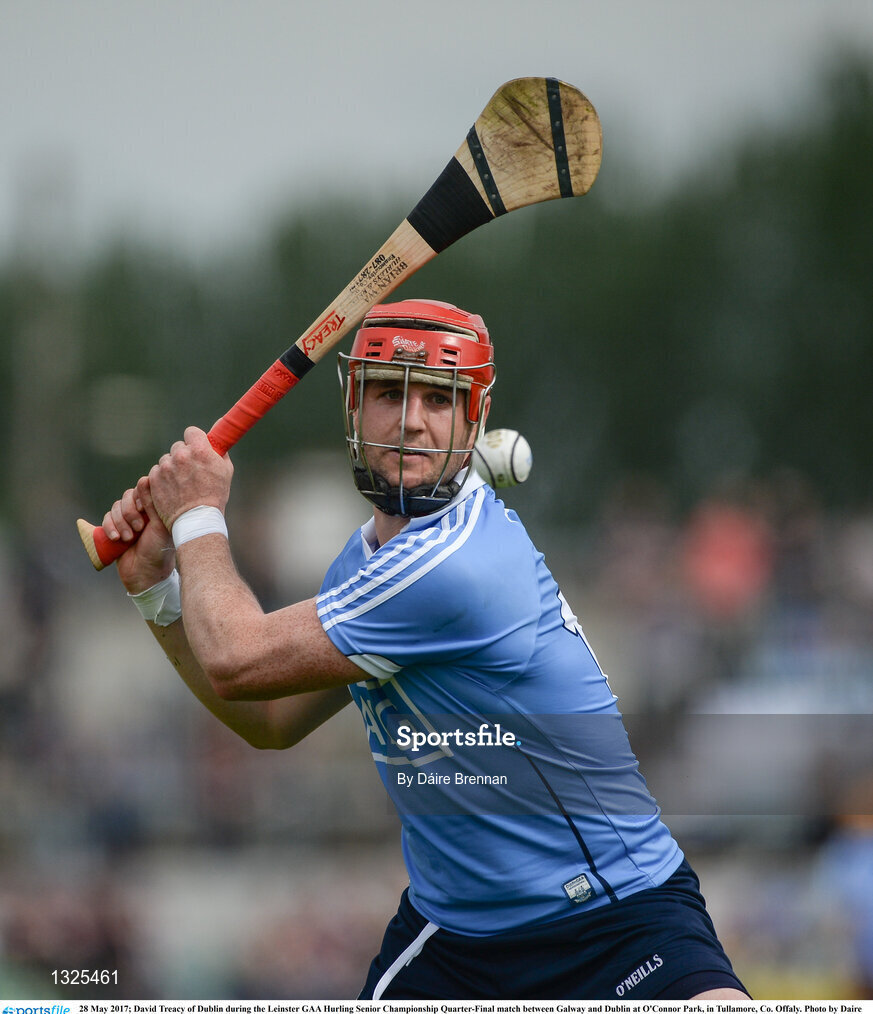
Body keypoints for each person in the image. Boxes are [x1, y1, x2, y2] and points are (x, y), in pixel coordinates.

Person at [103, 298, 749, 1001]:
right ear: (352, 407)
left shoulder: (458, 566)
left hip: (613, 924)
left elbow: (236, 657)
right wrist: (156, 593)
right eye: (387, 393)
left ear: (473, 419)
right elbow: (270, 720)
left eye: (439, 399)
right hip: (457, 944)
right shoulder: (366, 567)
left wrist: (197, 513)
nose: (411, 420)